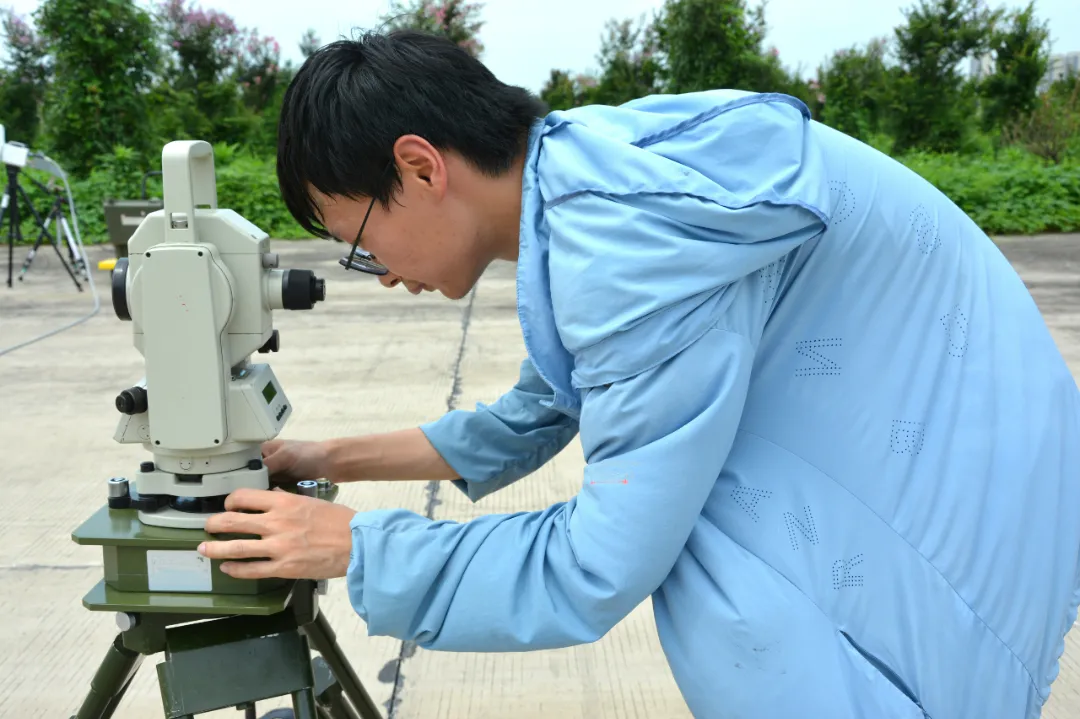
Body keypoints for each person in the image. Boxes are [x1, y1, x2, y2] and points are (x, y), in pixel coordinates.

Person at [197, 29, 1080, 719]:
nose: (379, 273)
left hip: (952, 497)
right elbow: (536, 411)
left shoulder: (620, 243)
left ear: (421, 166)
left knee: (699, 558)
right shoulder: (580, 175)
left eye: (357, 240)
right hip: (983, 450)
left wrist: (357, 547)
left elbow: (598, 563)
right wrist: (325, 457)